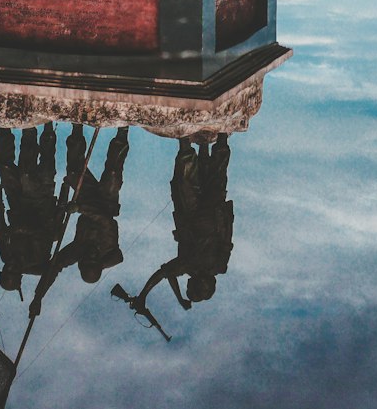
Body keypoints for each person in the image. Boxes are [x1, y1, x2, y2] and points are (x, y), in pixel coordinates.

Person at [29, 126, 130, 315]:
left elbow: (54, 268)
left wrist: (38, 297)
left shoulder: (78, 250)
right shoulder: (108, 247)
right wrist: (80, 209)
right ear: (100, 262)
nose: (91, 255)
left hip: (86, 198)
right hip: (105, 203)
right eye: (95, 261)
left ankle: (77, 127)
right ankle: (122, 131)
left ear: (81, 262)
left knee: (75, 169)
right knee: (113, 176)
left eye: (87, 261)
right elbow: (106, 221)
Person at [130, 133, 234, 314]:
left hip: (191, 213)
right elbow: (227, 239)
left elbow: (166, 274)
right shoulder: (217, 266)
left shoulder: (189, 266)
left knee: (188, 174)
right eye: (192, 287)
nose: (190, 282)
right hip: (212, 213)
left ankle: (185, 136)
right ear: (205, 287)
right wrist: (227, 216)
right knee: (216, 172)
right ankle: (219, 135)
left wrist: (147, 295)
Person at [0, 124, 62, 294]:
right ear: (19, 273)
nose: (9, 266)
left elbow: (0, 232)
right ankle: (32, 127)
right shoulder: (36, 260)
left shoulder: (6, 256)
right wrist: (19, 229)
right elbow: (41, 232)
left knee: (4, 167)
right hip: (39, 205)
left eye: (5, 268)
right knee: (26, 174)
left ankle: (4, 125)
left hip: (17, 204)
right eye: (12, 270)